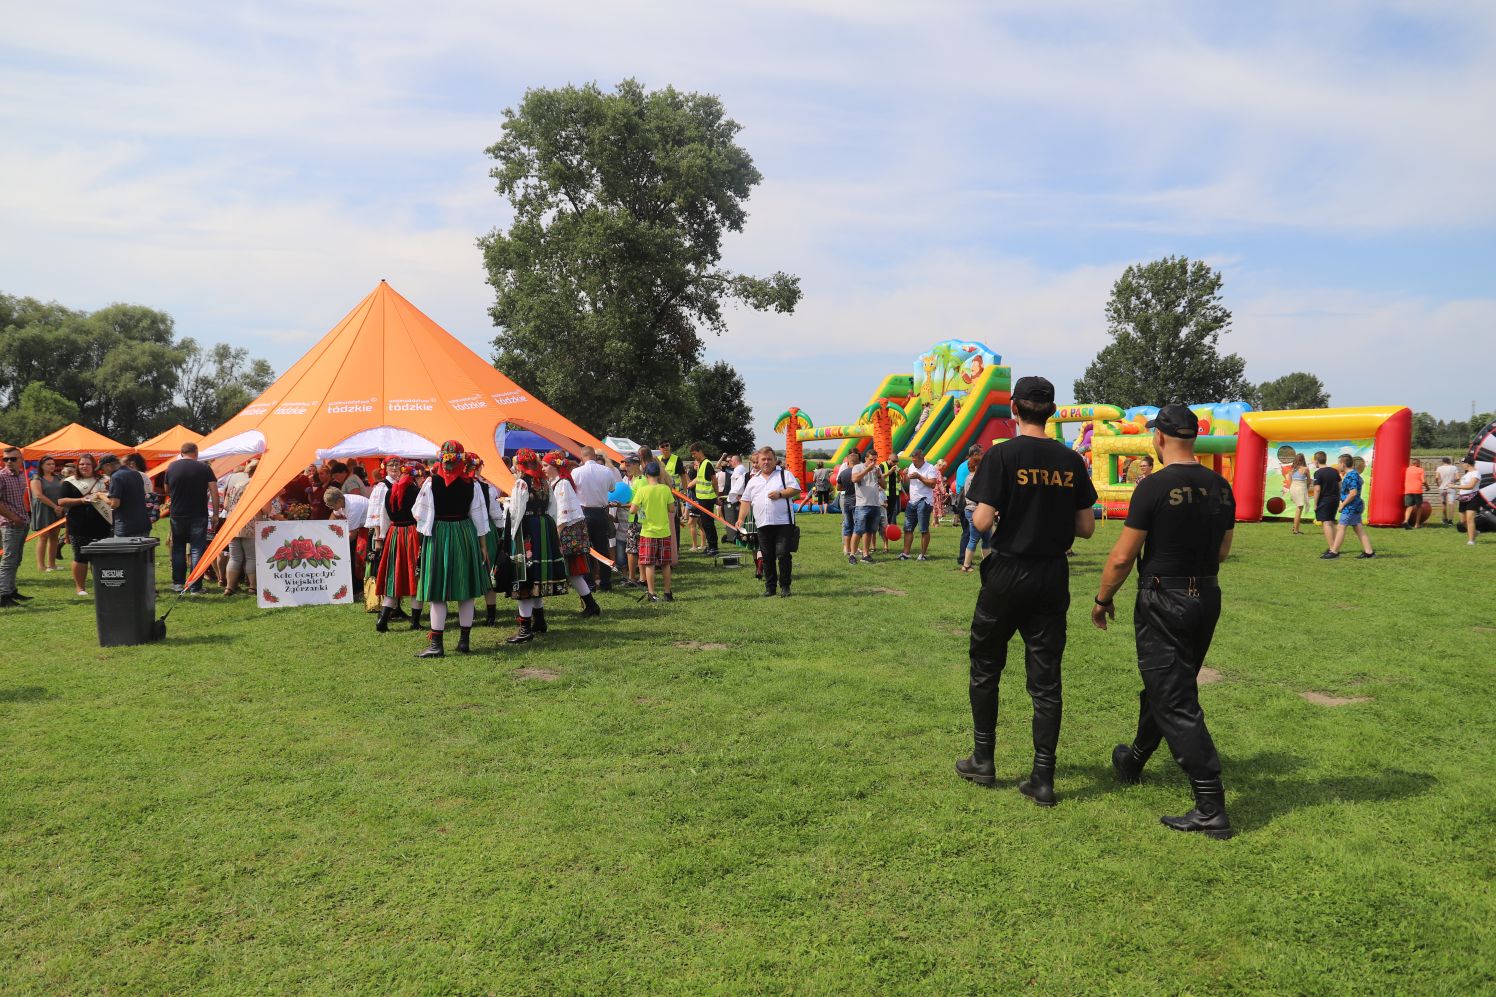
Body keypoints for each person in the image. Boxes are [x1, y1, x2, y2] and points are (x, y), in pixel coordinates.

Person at [1090, 403, 1237, 839]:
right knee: (1167, 684)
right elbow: (1223, 551)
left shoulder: (1153, 487)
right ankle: (1134, 758)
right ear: (1193, 437)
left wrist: (1102, 599)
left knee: (1174, 697)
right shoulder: (1220, 486)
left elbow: (1121, 558)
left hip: (1163, 596)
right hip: (1206, 593)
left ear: (1158, 439)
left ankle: (1210, 805)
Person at [955, 376, 1097, 806]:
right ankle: (1043, 776)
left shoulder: (1001, 455)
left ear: (1014, 408)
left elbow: (980, 523)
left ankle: (983, 760)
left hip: (1007, 572)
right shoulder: (1071, 460)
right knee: (1046, 679)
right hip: (1051, 575)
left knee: (986, 666)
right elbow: (1086, 527)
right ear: (1051, 410)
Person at [411, 441, 491, 658]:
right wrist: (483, 545)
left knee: (438, 593)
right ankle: (464, 642)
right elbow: (480, 516)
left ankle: (437, 645)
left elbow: (417, 512)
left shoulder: (431, 483)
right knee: (465, 592)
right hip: (464, 533)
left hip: (439, 535)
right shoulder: (471, 484)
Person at [505, 449, 569, 643]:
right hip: (544, 525)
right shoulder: (543, 482)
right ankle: (539, 621)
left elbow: (517, 511)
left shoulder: (522, 482)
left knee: (525, 576)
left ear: (520, 464)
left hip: (528, 529)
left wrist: (512, 535)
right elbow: (553, 507)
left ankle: (525, 629)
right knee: (537, 576)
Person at [735, 447, 801, 597]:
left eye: (769, 459)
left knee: (783, 554)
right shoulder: (753, 481)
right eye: (763, 459)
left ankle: (785, 586)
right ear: (757, 462)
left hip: (784, 522)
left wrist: (780, 494)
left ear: (775, 460)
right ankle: (770, 588)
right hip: (763, 524)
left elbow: (796, 489)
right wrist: (740, 519)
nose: (766, 462)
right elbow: (745, 501)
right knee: (767, 556)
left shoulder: (784, 474)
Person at [543, 451, 601, 617]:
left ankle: (591, 605)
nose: (544, 468)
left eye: (546, 465)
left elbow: (564, 512)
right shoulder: (557, 482)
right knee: (572, 572)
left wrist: (557, 534)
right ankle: (591, 605)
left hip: (569, 531)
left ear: (555, 466)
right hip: (567, 530)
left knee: (573, 571)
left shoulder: (563, 484)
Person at [163, 442, 220, 594]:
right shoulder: (204, 468)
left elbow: (166, 489)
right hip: (198, 514)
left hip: (177, 514)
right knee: (196, 549)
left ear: (181, 453)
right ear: (196, 452)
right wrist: (215, 513)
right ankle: (195, 586)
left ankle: (178, 584)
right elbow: (214, 492)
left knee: (178, 549)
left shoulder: (171, 467)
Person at [57, 454, 114, 598]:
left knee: (103, 557)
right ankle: (80, 588)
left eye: (88, 464)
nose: (84, 466)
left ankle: (102, 585)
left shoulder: (105, 480)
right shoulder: (69, 482)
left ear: (94, 465)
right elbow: (61, 501)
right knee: (80, 556)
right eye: (81, 464)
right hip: (79, 524)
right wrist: (82, 500)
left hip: (103, 524)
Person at [573, 446, 620, 592]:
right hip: (600, 512)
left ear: (582, 457)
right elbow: (612, 489)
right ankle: (606, 582)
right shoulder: (606, 471)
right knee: (603, 549)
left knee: (585, 550)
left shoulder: (576, 472)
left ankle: (590, 583)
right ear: (594, 456)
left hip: (583, 513)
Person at [630, 460, 676, 602]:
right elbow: (672, 509)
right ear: (659, 473)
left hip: (648, 532)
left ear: (646, 474)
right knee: (665, 564)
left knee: (649, 564)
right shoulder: (665, 489)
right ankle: (667, 593)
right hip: (664, 531)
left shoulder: (642, 490)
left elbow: (633, 510)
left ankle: (651, 593)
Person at [221, 459, 259, 597]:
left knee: (234, 557)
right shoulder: (255, 485)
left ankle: (229, 587)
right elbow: (265, 508)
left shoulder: (236, 485)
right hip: (249, 523)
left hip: (233, 523)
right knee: (251, 557)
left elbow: (225, 505)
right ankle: (253, 587)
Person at [1325, 454, 1374, 560]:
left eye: (1339, 463)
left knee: (1341, 527)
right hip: (1354, 506)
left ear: (1343, 464)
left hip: (1350, 507)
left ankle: (1334, 552)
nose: (1338, 465)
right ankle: (1369, 552)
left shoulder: (1351, 475)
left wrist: (1342, 505)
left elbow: (1353, 493)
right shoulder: (1354, 474)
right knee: (1358, 528)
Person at [0, 446, 32, 606]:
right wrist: (13, 518)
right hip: (10, 524)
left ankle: (11, 590)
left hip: (22, 522)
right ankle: (3, 595)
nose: (9, 462)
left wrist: (22, 519)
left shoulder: (21, 476)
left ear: (21, 460)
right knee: (9, 560)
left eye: (13, 459)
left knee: (16, 559)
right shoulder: (1, 476)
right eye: (5, 459)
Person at [324, 486, 371, 591]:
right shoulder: (341, 502)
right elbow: (334, 515)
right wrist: (327, 532)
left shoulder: (354, 507)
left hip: (369, 528)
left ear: (339, 501)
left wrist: (337, 547)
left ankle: (361, 588)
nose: (330, 508)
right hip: (360, 527)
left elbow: (352, 535)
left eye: (331, 505)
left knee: (360, 556)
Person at [899, 449, 940, 561]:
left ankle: (923, 554)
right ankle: (906, 553)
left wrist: (919, 477)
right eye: (912, 461)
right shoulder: (912, 466)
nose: (913, 463)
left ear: (921, 459)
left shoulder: (930, 468)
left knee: (923, 529)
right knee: (908, 528)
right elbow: (909, 482)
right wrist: (905, 475)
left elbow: (932, 484)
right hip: (912, 501)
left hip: (924, 501)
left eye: (915, 461)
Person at [28, 455, 64, 572]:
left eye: (53, 464)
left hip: (57, 510)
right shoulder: (36, 478)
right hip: (44, 510)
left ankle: (52, 564)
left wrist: (60, 507)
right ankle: (41, 566)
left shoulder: (59, 477)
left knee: (54, 537)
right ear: (42, 466)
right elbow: (38, 495)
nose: (51, 466)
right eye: (48, 464)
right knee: (43, 537)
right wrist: (54, 506)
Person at [106, 453, 152, 538]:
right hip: (143, 524)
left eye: (102, 468)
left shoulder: (116, 476)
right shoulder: (136, 474)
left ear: (108, 466)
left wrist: (100, 496)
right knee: (143, 551)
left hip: (126, 526)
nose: (103, 471)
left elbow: (114, 504)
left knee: (124, 551)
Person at [851, 448, 883, 563]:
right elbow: (854, 479)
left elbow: (884, 485)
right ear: (865, 458)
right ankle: (852, 555)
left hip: (875, 504)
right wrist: (867, 469)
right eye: (871, 460)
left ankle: (865, 554)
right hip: (862, 505)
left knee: (869, 531)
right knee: (858, 530)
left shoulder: (877, 468)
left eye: (875, 460)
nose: (873, 462)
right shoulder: (858, 467)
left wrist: (879, 475)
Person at [688, 443, 720, 556]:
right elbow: (699, 478)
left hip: (708, 498)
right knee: (705, 524)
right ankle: (710, 546)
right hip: (702, 498)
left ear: (700, 451)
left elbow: (714, 481)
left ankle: (714, 547)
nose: (693, 456)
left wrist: (717, 497)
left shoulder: (707, 463)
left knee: (708, 523)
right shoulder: (701, 464)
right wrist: (689, 485)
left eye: (694, 453)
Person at [1309, 451, 1341, 553]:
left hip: (1325, 500)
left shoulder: (1318, 473)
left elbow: (1317, 489)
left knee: (1326, 524)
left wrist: (1315, 503)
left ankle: (1333, 549)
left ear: (1317, 461)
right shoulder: (1334, 471)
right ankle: (1335, 546)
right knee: (1331, 522)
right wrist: (1339, 498)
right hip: (1334, 499)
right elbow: (1340, 485)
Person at [1456, 457, 1481, 546]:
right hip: (1463, 498)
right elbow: (1463, 485)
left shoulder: (1476, 473)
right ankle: (1474, 532)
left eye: (1463, 463)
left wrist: (1455, 486)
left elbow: (1470, 486)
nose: (1462, 465)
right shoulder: (1467, 473)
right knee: (1462, 521)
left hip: (1473, 498)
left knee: (1470, 519)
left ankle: (1471, 540)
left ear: (1468, 463)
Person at [1287, 454, 1310, 534]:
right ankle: (1296, 530)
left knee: (1298, 508)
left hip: (1293, 488)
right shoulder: (1305, 469)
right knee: (1299, 509)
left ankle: (1295, 527)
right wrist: (1306, 489)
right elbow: (1309, 481)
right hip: (1300, 488)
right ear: (1303, 459)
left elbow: (1289, 479)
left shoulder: (1292, 469)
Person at [1435, 457, 1460, 525]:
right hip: (1451, 488)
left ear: (1443, 462)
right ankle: (1450, 521)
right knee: (1451, 504)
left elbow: (1436, 478)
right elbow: (1458, 478)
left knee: (1443, 504)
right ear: (1449, 461)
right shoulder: (1454, 467)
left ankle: (1444, 519)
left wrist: (1438, 484)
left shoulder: (1439, 468)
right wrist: (1453, 482)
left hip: (1442, 488)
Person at [1402, 460, 1426, 530]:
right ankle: (1417, 524)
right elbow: (1423, 481)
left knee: (1409, 506)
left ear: (1412, 463)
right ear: (1418, 463)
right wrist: (1427, 487)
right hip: (1417, 490)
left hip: (1408, 490)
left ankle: (1406, 521)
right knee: (1419, 507)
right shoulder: (1420, 470)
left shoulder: (1408, 469)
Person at [931, 459, 948, 526]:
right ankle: (935, 522)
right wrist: (944, 492)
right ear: (939, 465)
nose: (943, 469)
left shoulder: (932, 470)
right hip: (936, 492)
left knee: (935, 507)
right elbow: (940, 483)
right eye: (943, 467)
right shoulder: (937, 472)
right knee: (936, 507)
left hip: (932, 490)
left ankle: (936, 521)